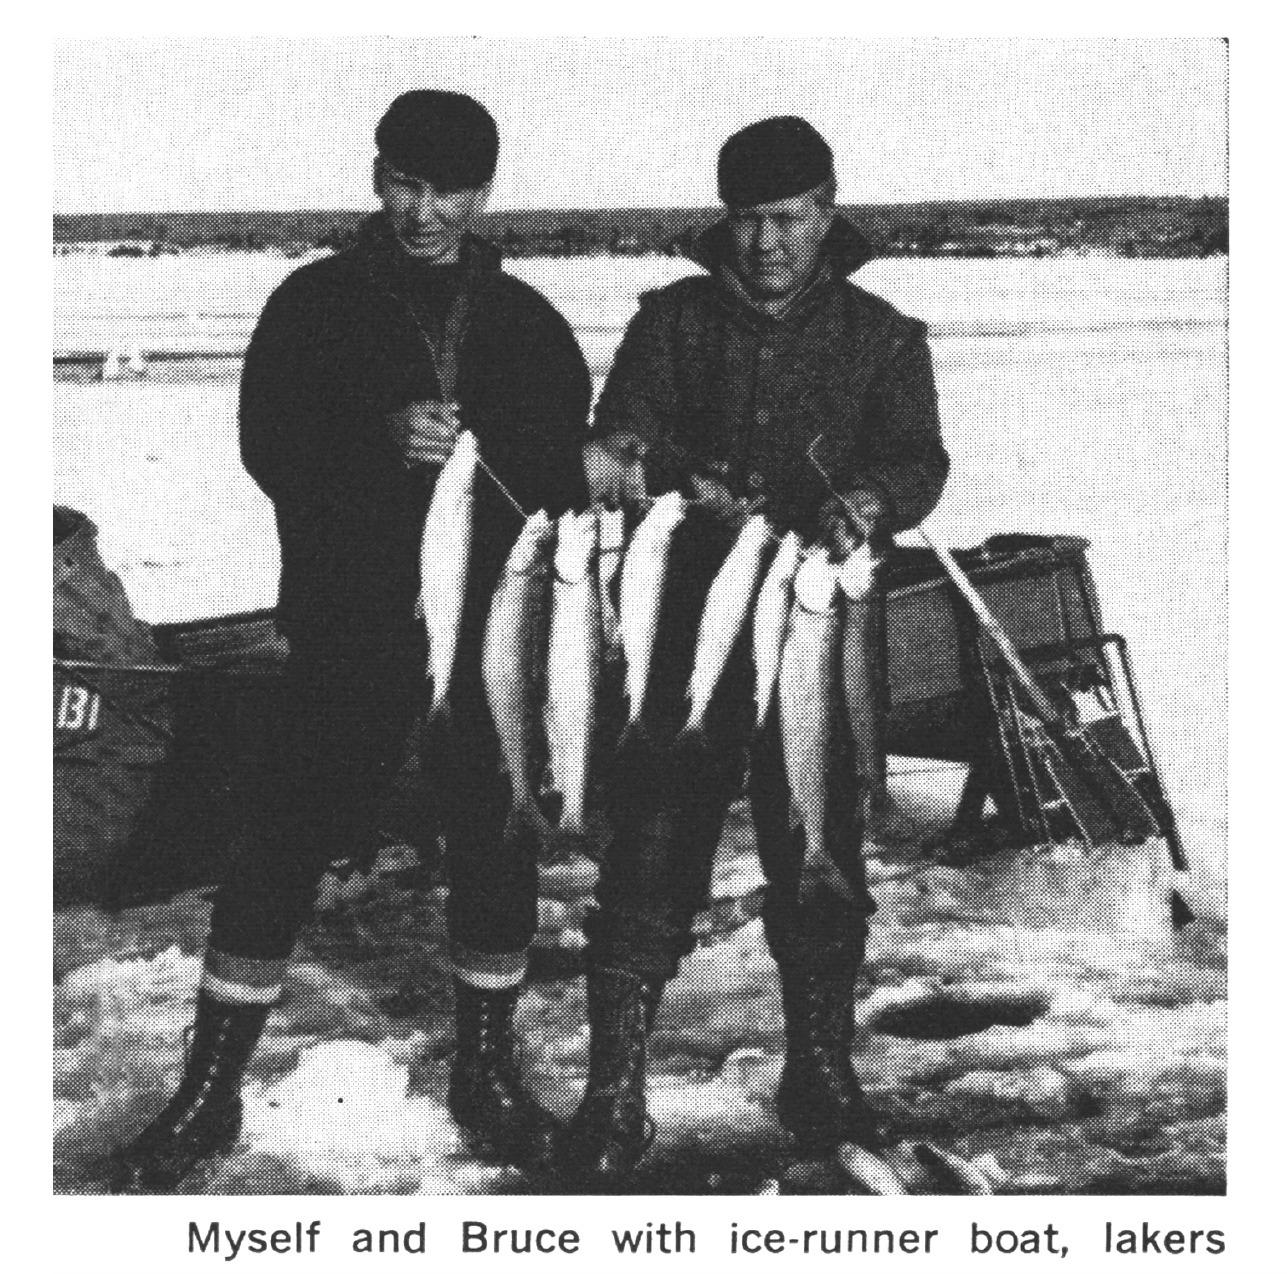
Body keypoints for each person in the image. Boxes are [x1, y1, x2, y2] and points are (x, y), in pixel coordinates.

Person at [110, 91, 592, 1191]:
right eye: (406, 183)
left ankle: (487, 1071)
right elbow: (267, 444)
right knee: (281, 836)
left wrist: (557, 465)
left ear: (484, 192)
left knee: (494, 832)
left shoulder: (527, 324)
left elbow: (560, 472)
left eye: (451, 188)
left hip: (485, 633)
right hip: (348, 625)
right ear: (377, 178)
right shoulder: (315, 303)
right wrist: (376, 439)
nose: (426, 210)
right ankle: (208, 1089)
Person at [561, 116, 949, 1186]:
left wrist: (872, 498)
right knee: (652, 842)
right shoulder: (671, 322)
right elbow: (626, 423)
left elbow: (918, 458)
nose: (768, 241)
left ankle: (819, 1069)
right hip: (692, 625)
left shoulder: (884, 337)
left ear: (828, 211)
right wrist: (654, 466)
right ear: (723, 221)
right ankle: (615, 1091)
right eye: (748, 219)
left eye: (788, 218)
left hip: (821, 619)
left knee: (818, 838)